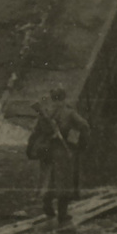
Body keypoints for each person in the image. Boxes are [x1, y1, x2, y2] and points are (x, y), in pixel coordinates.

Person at [28, 86, 89, 222]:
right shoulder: (69, 112)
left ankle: (47, 205)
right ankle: (62, 214)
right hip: (62, 151)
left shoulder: (46, 112)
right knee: (64, 181)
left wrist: (36, 146)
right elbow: (84, 126)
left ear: (52, 98)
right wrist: (76, 141)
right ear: (63, 97)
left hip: (46, 151)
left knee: (49, 179)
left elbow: (36, 132)